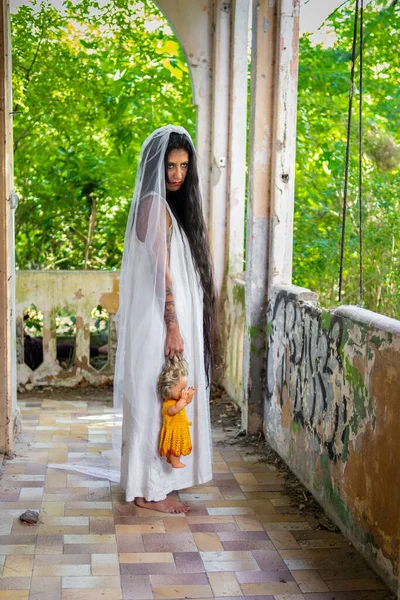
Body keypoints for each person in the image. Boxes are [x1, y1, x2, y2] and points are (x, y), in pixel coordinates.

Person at [114, 125, 219, 514]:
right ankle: (146, 492)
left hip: (160, 321)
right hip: (160, 323)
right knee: (152, 398)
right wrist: (173, 325)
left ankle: (153, 483)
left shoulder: (159, 204)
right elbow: (162, 273)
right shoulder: (155, 204)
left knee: (156, 398)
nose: (177, 173)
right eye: (171, 165)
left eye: (184, 166)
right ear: (156, 166)